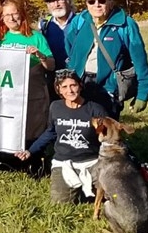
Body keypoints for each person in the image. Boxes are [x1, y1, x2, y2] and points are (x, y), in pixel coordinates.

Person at [15, 70, 107, 204]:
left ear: (80, 86)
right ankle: (78, 188)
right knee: (60, 204)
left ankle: (85, 188)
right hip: (64, 163)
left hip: (92, 162)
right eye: (64, 87)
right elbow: (50, 132)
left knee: (112, 195)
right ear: (58, 90)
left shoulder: (95, 109)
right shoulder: (55, 107)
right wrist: (30, 151)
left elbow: (109, 137)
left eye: (73, 85)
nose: (70, 90)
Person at [66, 0, 148, 119]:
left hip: (109, 87)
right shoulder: (79, 21)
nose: (97, 5)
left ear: (111, 2)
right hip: (80, 84)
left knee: (106, 132)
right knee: (81, 130)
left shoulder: (125, 24)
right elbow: (70, 49)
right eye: (91, 1)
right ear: (86, 3)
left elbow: (140, 61)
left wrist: (143, 94)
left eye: (102, 1)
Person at [0, 0, 55, 143]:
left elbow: (51, 65)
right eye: (7, 15)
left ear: (21, 14)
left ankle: (32, 157)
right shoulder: (0, 39)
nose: (11, 18)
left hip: (33, 91)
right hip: (9, 91)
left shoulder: (36, 37)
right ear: (2, 17)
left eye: (14, 13)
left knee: (32, 127)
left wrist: (40, 55)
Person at [39, 0, 76, 71]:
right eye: (52, 2)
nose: (56, 5)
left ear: (68, 1)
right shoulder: (45, 25)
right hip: (52, 75)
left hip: (75, 76)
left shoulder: (80, 23)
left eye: (60, 0)